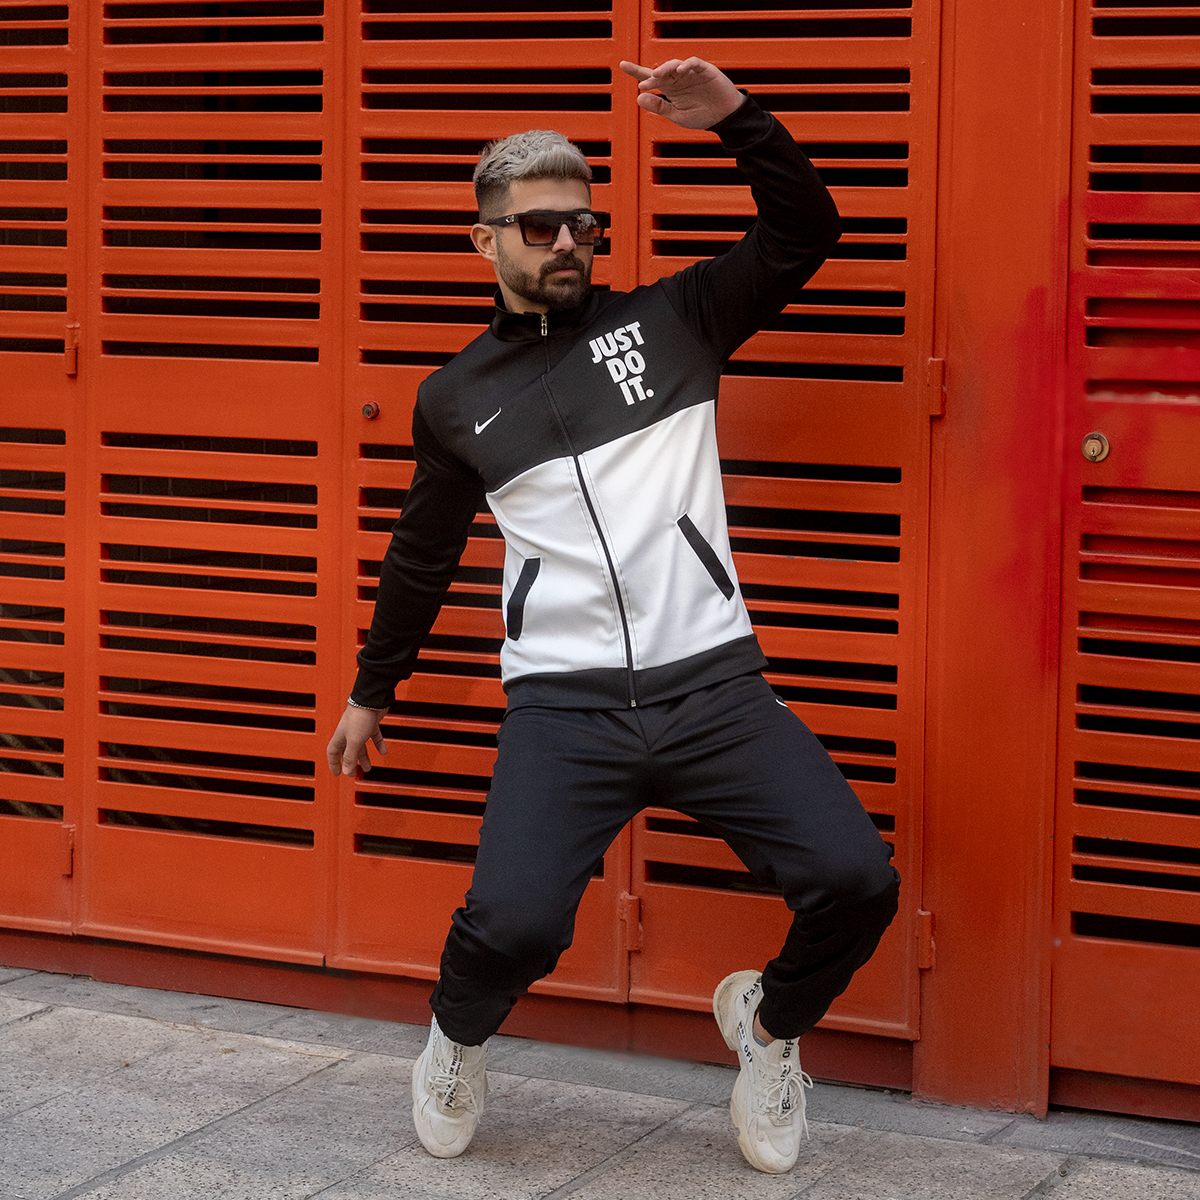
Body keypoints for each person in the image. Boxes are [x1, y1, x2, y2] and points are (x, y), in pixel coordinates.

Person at [326, 57, 900, 1176]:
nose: (566, 242)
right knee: (515, 926)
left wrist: (738, 121)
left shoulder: (678, 319)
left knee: (856, 882)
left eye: (582, 224)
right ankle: (456, 1037)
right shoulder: (454, 400)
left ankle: (770, 1027)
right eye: (538, 226)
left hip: (712, 687)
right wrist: (371, 690)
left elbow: (807, 231)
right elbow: (421, 554)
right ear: (484, 241)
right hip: (565, 708)